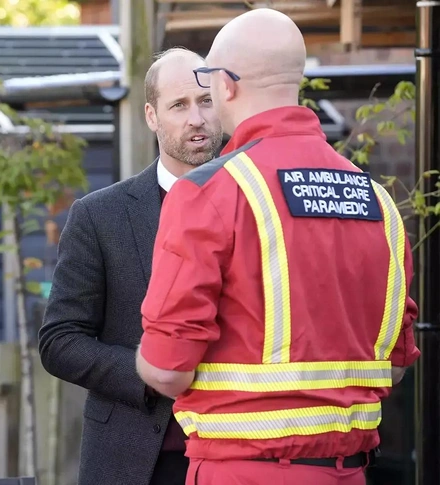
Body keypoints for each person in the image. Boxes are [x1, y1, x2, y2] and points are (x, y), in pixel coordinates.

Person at [135, 8, 420, 485]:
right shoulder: (378, 200)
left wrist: (143, 356)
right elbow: (394, 368)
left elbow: (167, 371)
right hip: (350, 471)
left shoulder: (209, 193)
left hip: (242, 470)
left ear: (225, 84)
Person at [38, 47, 223, 485]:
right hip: (135, 458)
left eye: (206, 100)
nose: (195, 118)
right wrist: (149, 373)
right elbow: (59, 340)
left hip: (236, 452)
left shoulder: (258, 203)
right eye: (179, 105)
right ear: (152, 116)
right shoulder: (99, 216)